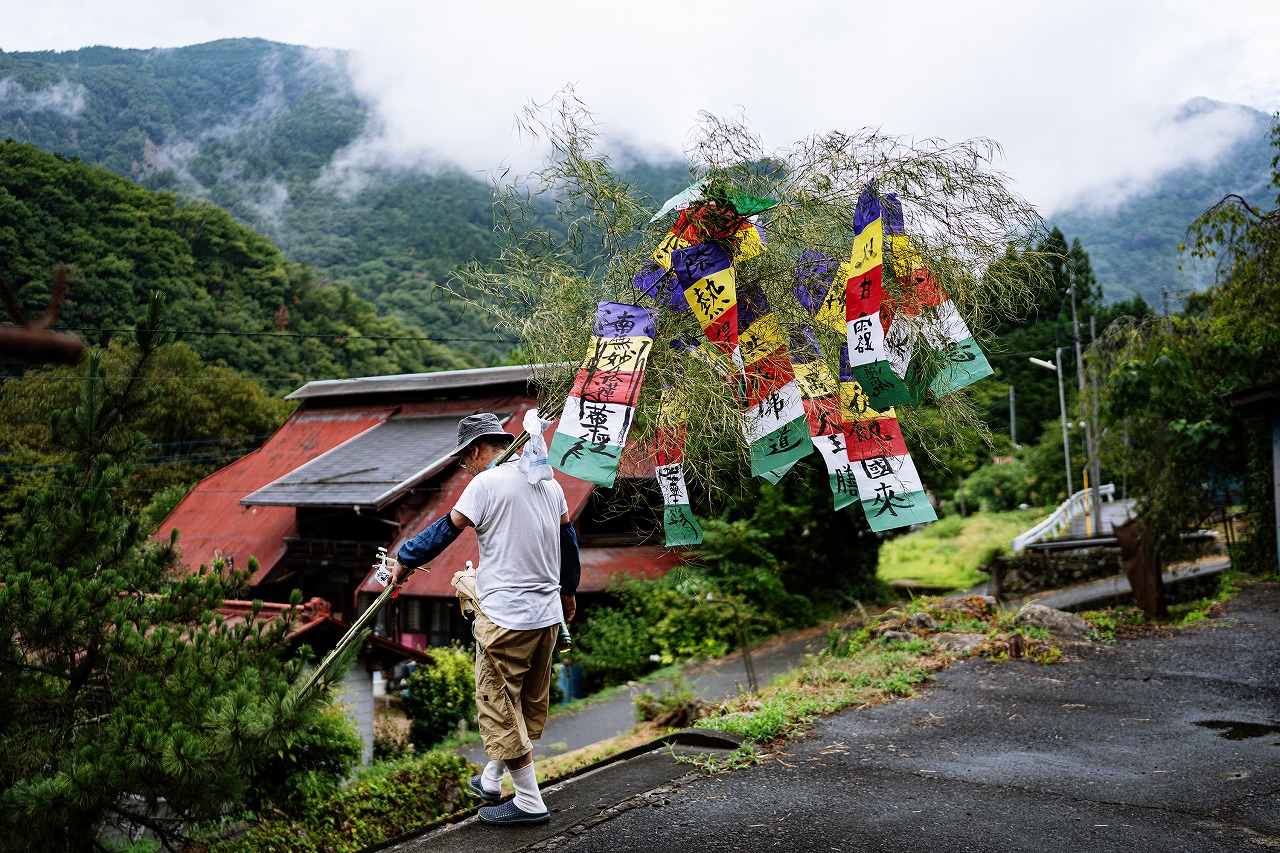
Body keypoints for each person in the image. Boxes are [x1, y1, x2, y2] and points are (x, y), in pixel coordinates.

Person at [395, 412, 580, 826]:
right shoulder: (546, 480)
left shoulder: (485, 483)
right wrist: (568, 592)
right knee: (522, 699)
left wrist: (403, 561)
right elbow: (568, 540)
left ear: (477, 450)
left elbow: (444, 530)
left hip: (507, 620)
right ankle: (493, 779)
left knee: (496, 704)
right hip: (548, 616)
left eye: (465, 459)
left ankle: (530, 801)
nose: (466, 467)